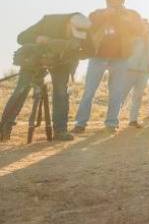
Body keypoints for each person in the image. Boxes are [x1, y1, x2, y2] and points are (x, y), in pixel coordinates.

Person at [1, 13, 90, 142]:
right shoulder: (49, 21)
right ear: (69, 23)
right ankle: (4, 128)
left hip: (63, 62)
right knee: (22, 88)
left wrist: (71, 53)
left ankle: (60, 131)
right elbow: (21, 38)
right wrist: (38, 39)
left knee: (60, 92)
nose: (77, 36)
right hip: (37, 58)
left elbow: (91, 51)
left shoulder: (86, 28)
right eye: (74, 31)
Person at [74, 0, 141, 133]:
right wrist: (104, 16)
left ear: (123, 0)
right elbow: (89, 27)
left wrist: (124, 18)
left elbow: (139, 30)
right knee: (89, 91)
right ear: (106, 0)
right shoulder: (97, 13)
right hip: (98, 56)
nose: (113, 0)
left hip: (121, 58)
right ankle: (80, 123)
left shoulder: (131, 14)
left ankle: (111, 123)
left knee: (116, 92)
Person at [120, 20, 149, 128]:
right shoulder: (133, 36)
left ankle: (133, 120)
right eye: (144, 24)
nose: (146, 26)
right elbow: (125, 46)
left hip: (145, 71)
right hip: (130, 68)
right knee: (121, 95)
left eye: (147, 25)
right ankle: (112, 120)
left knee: (138, 96)